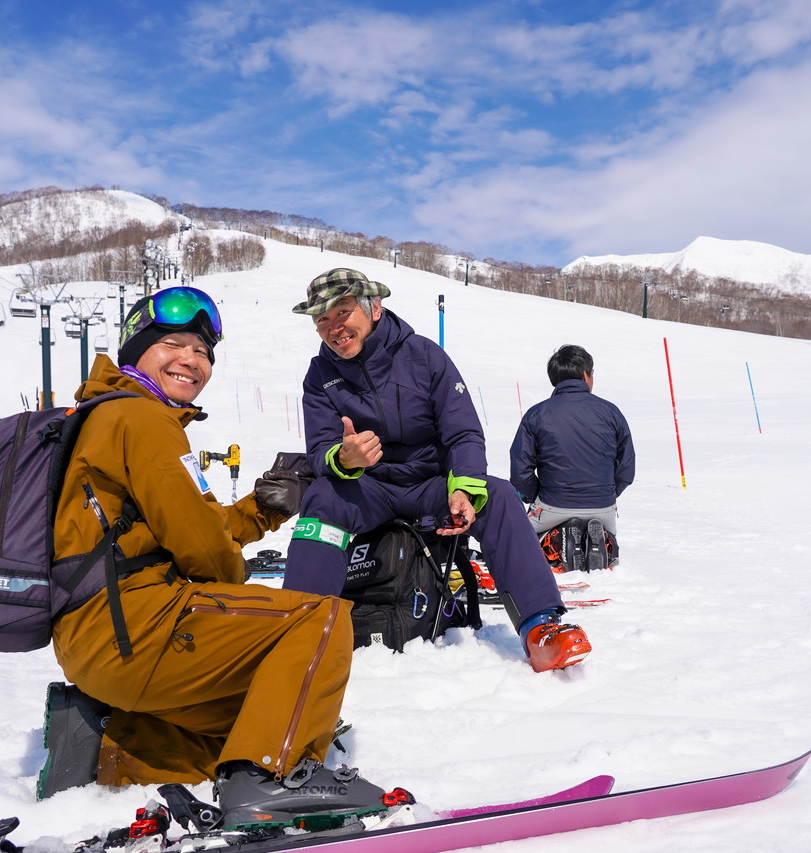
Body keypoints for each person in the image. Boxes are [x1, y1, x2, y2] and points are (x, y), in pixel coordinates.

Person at [41, 285, 385, 828]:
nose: (191, 360)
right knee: (318, 620)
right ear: (136, 348)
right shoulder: (141, 419)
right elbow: (204, 551)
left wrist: (262, 508)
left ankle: (113, 744)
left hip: (101, 643)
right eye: (174, 344)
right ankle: (269, 780)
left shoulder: (110, 415)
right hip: (136, 627)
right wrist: (237, 582)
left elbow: (193, 525)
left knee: (272, 716)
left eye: (203, 352)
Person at [281, 268, 592, 673]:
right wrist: (344, 459)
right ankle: (300, 636)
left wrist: (463, 489)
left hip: (430, 485)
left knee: (497, 496)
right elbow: (319, 449)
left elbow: (463, 432)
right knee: (321, 498)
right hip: (368, 489)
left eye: (342, 312)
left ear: (374, 308)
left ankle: (540, 629)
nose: (333, 328)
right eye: (321, 319)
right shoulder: (319, 374)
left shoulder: (424, 356)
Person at [509, 345, 635, 556]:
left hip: (552, 505)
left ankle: (559, 542)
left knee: (519, 540)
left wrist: (534, 495)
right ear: (586, 375)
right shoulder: (611, 412)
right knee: (602, 524)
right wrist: (607, 492)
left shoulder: (536, 414)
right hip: (603, 507)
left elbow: (520, 470)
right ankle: (599, 541)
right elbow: (627, 466)